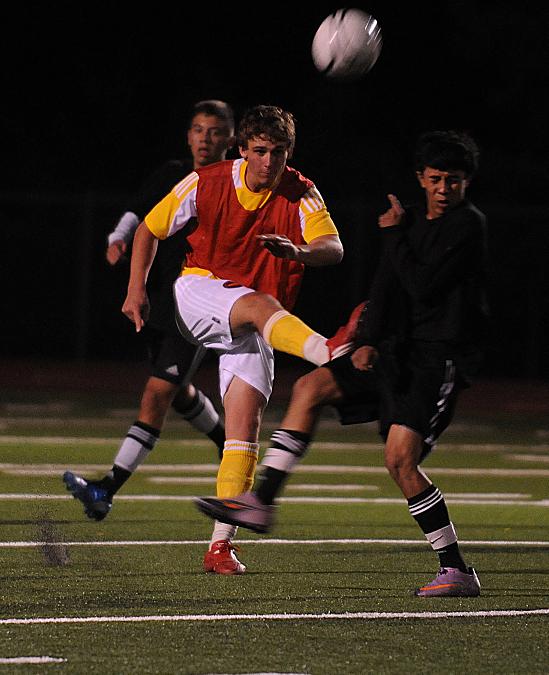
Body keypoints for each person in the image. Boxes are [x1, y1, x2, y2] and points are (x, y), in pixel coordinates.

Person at [195, 129, 489, 597]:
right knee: (310, 388)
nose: (442, 189)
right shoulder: (409, 223)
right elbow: (385, 287)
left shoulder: (467, 226)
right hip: (396, 351)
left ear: (466, 183)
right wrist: (366, 339)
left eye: (453, 181)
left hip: (438, 360)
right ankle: (261, 502)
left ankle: (455, 568)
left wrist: (392, 236)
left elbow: (423, 285)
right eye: (435, 178)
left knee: (401, 462)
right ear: (420, 178)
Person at [121, 104, 357, 575]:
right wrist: (135, 290)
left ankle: (219, 547)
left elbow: (335, 248)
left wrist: (301, 251)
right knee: (262, 306)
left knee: (243, 433)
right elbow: (149, 228)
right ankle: (329, 352)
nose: (270, 162)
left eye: (280, 152)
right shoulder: (208, 180)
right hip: (199, 292)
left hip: (255, 322)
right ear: (244, 150)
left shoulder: (301, 191)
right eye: (261, 152)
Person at [63, 100, 236, 521]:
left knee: (157, 392)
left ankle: (106, 488)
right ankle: (230, 443)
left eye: (214, 131)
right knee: (177, 393)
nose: (204, 138)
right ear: (188, 134)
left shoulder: (235, 181)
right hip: (163, 298)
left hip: (201, 303)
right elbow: (138, 212)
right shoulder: (174, 174)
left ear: (230, 139)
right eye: (198, 129)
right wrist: (118, 238)